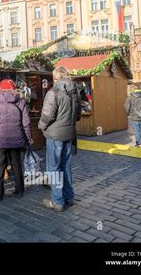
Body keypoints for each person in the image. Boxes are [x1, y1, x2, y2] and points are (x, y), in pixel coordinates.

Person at [39, 67, 81, 212]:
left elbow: (47, 115)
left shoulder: (53, 92)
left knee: (53, 168)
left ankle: (57, 201)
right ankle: (69, 197)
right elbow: (78, 114)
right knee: (66, 166)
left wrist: (41, 127)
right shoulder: (75, 92)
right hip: (69, 133)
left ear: (55, 77)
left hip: (55, 135)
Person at [0, 79, 32, 201]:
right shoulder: (20, 101)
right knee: (16, 165)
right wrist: (28, 138)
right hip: (16, 139)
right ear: (13, 88)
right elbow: (26, 123)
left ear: (0, 89)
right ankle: (20, 190)